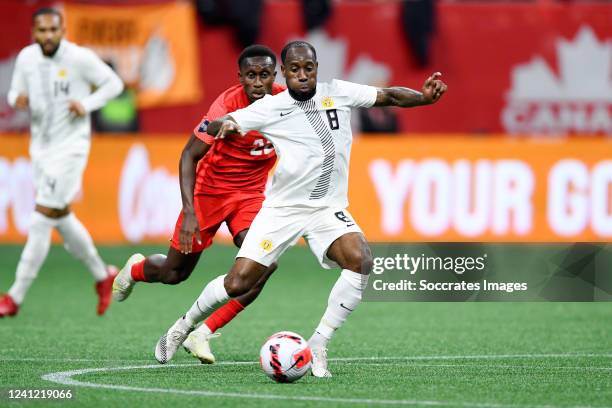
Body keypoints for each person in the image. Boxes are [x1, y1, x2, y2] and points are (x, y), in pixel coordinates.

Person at [152, 40, 447, 377]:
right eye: (295, 69)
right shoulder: (271, 107)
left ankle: (319, 343)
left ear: (317, 68)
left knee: (361, 259)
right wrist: (221, 125)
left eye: (308, 68)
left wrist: (423, 97)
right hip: (283, 210)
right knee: (238, 283)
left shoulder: (339, 92)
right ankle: (183, 326)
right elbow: (223, 123)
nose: (302, 75)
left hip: (326, 208)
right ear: (286, 72)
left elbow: (390, 96)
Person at [112, 45, 284, 363]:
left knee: (264, 264)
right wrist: (190, 212)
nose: (258, 82)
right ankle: (136, 269)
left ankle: (200, 333)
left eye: (264, 75)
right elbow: (188, 155)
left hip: (249, 196)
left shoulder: (287, 104)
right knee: (174, 273)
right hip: (209, 194)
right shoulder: (224, 107)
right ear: (240, 77)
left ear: (275, 76)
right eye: (251, 76)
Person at [0, 8, 124, 318]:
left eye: (53, 30)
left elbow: (114, 84)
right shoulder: (28, 58)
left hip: (71, 147)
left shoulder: (79, 58)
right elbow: (15, 91)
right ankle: (102, 274)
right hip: (40, 147)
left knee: (42, 215)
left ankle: (14, 297)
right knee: (59, 214)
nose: (48, 36)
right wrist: (18, 100)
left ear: (62, 30)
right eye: (41, 31)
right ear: (34, 32)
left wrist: (87, 104)